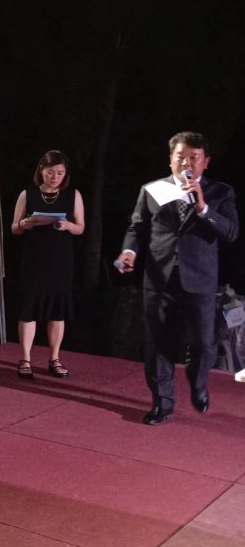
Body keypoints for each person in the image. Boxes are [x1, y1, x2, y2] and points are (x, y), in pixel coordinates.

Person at [116, 131, 238, 425]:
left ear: (206, 162)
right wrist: (129, 252)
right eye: (180, 156)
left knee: (203, 344)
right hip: (159, 279)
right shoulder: (152, 190)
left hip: (200, 280)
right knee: (159, 344)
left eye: (194, 157)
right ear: (170, 159)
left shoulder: (221, 192)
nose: (186, 163)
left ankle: (198, 382)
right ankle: (162, 403)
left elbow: (231, 233)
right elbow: (137, 228)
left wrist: (203, 208)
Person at [10, 150, 84, 379]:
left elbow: (80, 227)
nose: (55, 177)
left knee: (57, 310)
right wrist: (24, 224)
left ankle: (54, 358)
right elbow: (14, 228)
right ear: (41, 170)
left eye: (60, 173)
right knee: (29, 309)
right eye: (51, 172)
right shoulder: (28, 194)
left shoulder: (73, 195)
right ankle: (25, 359)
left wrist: (67, 226)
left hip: (60, 260)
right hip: (33, 258)